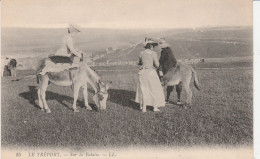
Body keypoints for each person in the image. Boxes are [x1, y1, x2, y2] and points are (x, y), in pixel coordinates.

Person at [135, 38, 165, 112]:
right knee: (154, 89)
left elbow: (138, 62)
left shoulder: (141, 53)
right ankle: (154, 107)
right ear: (150, 46)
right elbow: (157, 65)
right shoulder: (153, 53)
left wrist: (143, 63)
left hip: (142, 73)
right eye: (153, 46)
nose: (153, 47)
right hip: (151, 73)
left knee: (143, 90)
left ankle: (143, 107)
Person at [158, 39, 182, 104]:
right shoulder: (168, 50)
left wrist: (163, 68)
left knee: (168, 83)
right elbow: (174, 61)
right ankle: (178, 100)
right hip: (173, 68)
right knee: (177, 83)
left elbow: (161, 61)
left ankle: (167, 99)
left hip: (168, 69)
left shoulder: (165, 51)